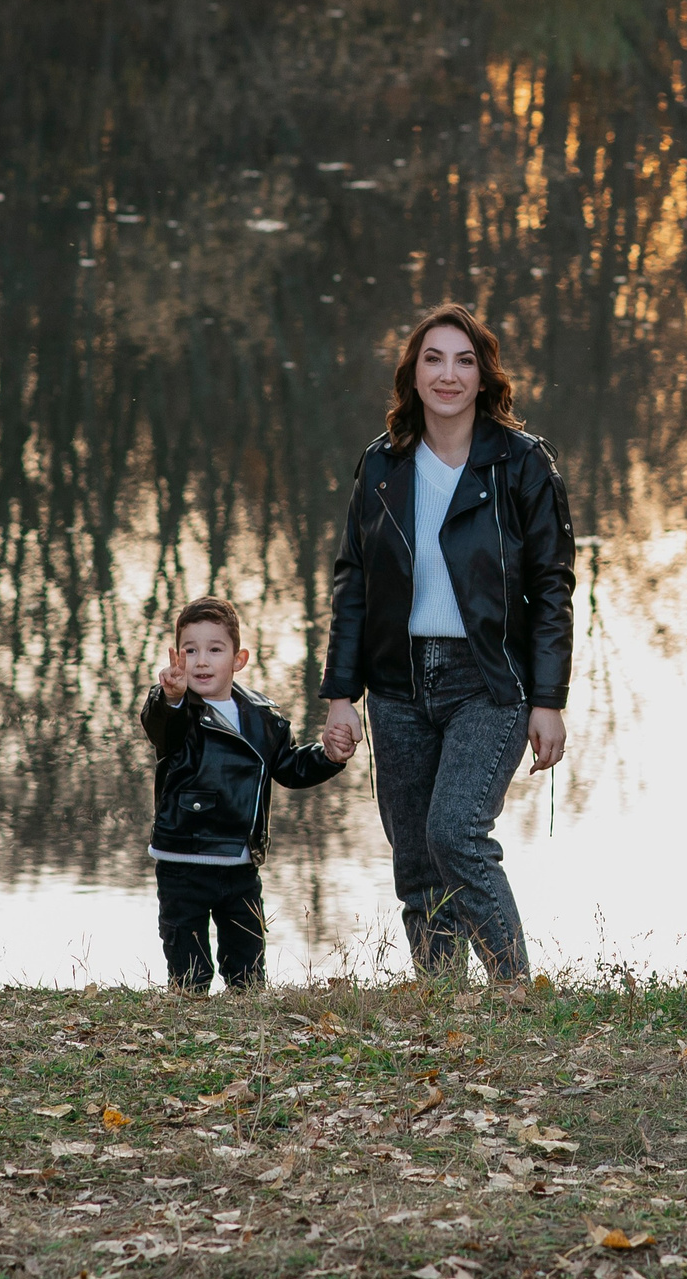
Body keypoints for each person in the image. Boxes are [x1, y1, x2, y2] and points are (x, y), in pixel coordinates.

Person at [319, 304, 575, 981]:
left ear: (484, 375)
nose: (449, 374)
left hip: (489, 682)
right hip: (397, 684)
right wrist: (340, 694)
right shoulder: (382, 464)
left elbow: (552, 587)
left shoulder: (521, 465)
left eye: (464, 360)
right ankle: (440, 1004)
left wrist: (548, 699)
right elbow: (354, 583)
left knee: (454, 831)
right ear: (414, 372)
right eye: (434, 358)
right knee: (415, 855)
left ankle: (515, 989)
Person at [142, 594, 356, 992]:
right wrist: (170, 697)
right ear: (177, 657)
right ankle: (187, 1015)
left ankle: (247, 1014)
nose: (202, 660)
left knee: (247, 960)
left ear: (238, 660)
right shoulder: (178, 712)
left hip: (240, 860)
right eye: (190, 650)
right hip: (183, 857)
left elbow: (289, 768)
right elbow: (159, 727)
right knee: (188, 965)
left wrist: (328, 755)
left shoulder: (263, 716)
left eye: (215, 650)